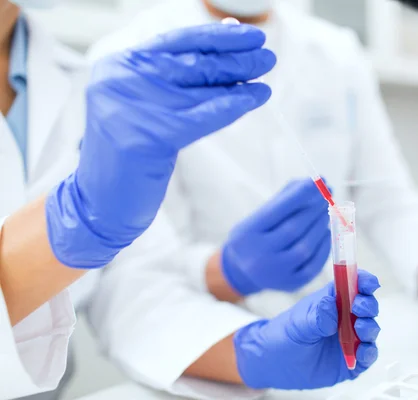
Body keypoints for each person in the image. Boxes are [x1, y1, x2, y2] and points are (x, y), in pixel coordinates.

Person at [84, 0, 418, 395]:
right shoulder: (126, 63)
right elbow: (131, 280)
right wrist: (227, 273)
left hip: (338, 346)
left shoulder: (335, 52)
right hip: (205, 366)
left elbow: (386, 196)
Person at [1, 2, 380, 399]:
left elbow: (135, 282)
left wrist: (250, 350)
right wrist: (79, 219)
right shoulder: (121, 69)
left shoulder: (72, 77)